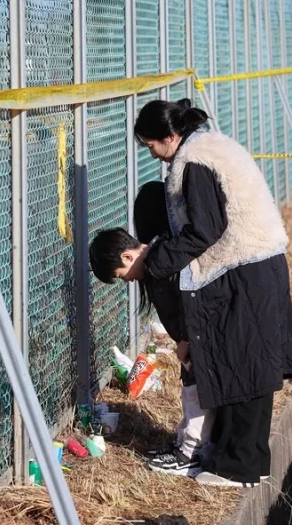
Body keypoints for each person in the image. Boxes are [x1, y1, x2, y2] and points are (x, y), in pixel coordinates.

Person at [128, 98, 292, 488]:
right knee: (245, 364)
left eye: (151, 145)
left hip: (246, 268)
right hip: (258, 264)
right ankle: (237, 461)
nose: (152, 154)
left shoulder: (194, 164)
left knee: (244, 367)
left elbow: (205, 231)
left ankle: (239, 467)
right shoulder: (207, 147)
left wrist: (156, 261)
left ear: (171, 136)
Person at [89, 181, 214, 477]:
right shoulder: (155, 264)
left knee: (197, 393)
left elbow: (188, 300)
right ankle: (186, 442)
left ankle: (191, 451)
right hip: (189, 341)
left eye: (122, 275)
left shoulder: (162, 262)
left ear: (127, 257)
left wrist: (187, 337)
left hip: (195, 338)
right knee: (190, 390)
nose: (127, 280)